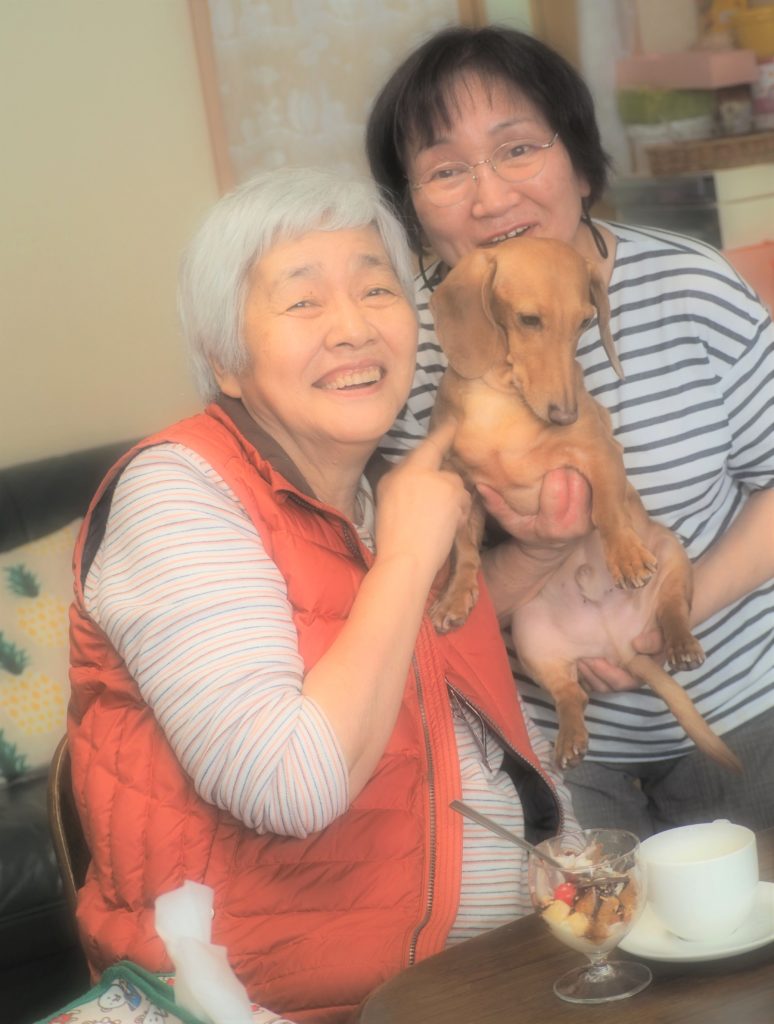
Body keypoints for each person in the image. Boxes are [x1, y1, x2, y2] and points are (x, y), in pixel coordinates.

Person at [67, 167, 578, 1024]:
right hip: (277, 1007)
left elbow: (426, 683)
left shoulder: (380, 494)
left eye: (376, 289)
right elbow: (289, 784)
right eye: (303, 302)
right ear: (226, 361)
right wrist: (408, 555)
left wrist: (535, 553)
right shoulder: (177, 493)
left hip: (491, 973)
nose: (353, 327)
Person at [366, 25, 774, 838]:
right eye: (446, 170)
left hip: (745, 710)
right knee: (586, 921)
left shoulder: (693, 288)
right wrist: (540, 553)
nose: (490, 197)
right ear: (411, 209)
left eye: (518, 149)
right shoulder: (400, 348)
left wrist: (666, 616)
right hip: (544, 741)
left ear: (582, 167)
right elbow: (415, 602)